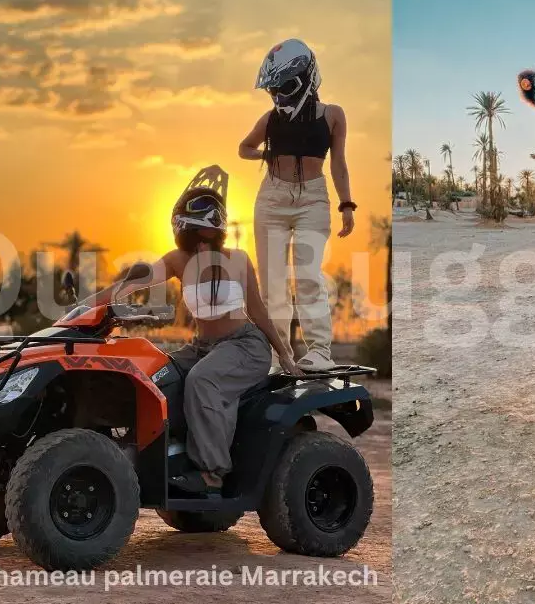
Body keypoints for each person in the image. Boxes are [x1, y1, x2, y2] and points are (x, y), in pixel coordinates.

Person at [78, 172, 303, 493]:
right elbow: (132, 283)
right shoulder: (177, 261)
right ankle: (165, 456)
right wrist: (84, 307)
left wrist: (284, 353)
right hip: (202, 347)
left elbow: (257, 311)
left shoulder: (238, 260)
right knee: (154, 375)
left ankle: (213, 472)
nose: (199, 240)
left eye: (203, 231)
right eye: (193, 232)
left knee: (202, 380)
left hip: (245, 346)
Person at [239, 39, 356, 371]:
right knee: (272, 284)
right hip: (271, 200)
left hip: (313, 200)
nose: (279, 96)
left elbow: (339, 163)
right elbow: (243, 148)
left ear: (307, 77)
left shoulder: (333, 115)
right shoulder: (270, 119)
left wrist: (347, 204)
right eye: (274, 90)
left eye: (285, 87)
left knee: (307, 276)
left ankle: (320, 351)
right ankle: (280, 356)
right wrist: (266, 154)